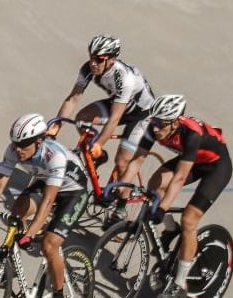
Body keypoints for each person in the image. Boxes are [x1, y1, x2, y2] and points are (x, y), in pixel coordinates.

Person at [0, 113, 90, 298]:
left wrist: (29, 234)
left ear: (39, 141)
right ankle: (8, 264)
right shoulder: (13, 150)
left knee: (49, 244)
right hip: (46, 181)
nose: (18, 150)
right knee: (16, 211)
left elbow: (48, 202)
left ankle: (59, 297)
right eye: (15, 143)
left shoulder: (54, 156)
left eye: (24, 145)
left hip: (73, 192)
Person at [121, 95, 232, 298]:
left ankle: (180, 284)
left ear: (174, 122)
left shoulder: (191, 135)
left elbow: (180, 178)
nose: (155, 129)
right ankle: (170, 229)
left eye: (160, 124)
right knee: (155, 184)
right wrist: (120, 189)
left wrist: (162, 208)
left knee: (189, 220)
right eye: (153, 122)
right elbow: (136, 161)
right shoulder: (154, 127)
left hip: (216, 167)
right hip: (193, 161)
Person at [49, 34, 155, 223]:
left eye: (99, 59)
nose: (93, 63)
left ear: (112, 59)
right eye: (91, 57)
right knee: (82, 119)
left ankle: (121, 208)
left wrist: (99, 142)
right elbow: (72, 98)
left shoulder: (125, 78)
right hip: (119, 103)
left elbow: (114, 119)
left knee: (122, 162)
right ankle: (99, 156)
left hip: (141, 113)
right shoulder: (87, 69)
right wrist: (56, 125)